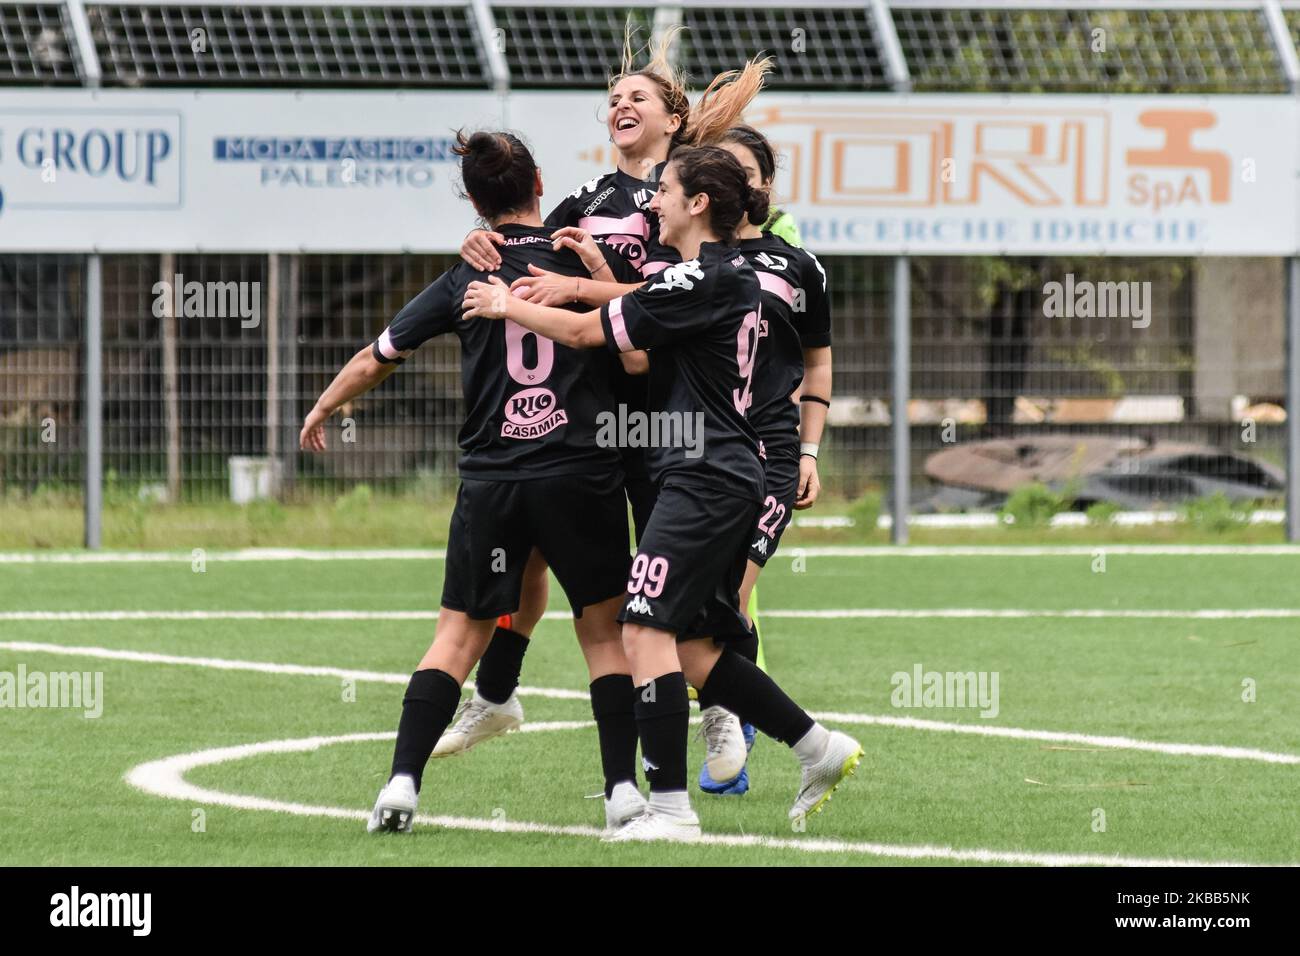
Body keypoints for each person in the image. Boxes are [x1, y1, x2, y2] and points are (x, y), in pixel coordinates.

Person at [463, 145, 863, 842]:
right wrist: (594, 273)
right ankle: (818, 747)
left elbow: (592, 330)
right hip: (712, 470)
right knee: (698, 646)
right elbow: (638, 351)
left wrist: (506, 305)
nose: (653, 202)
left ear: (699, 204)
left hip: (706, 474)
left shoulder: (705, 279)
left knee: (642, 627)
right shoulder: (710, 277)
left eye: (667, 191)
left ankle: (672, 812)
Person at [437, 33, 773, 794]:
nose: (621, 103)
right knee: (533, 557)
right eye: (614, 96)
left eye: (638, 96)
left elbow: (678, 302)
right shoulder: (584, 205)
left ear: (673, 118)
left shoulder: (693, 197)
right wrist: (480, 241)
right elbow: (520, 249)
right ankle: (497, 693)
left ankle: (719, 704)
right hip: (588, 420)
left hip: (670, 421)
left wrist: (592, 289)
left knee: (678, 586)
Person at [300, 130, 648, 835]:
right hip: (581, 473)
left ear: (474, 202)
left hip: (494, 480)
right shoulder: (576, 267)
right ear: (541, 183)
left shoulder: (467, 275)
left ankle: (401, 784)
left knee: (456, 635)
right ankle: (621, 794)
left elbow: (380, 354)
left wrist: (325, 404)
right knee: (606, 638)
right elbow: (642, 336)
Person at [691, 125, 834, 796]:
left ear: (762, 188)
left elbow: (814, 354)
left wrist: (809, 449)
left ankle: (732, 719)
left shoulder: (791, 260)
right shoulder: (686, 261)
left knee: (724, 600)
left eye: (743, 171)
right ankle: (734, 715)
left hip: (769, 454)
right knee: (698, 606)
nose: (731, 181)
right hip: (697, 456)